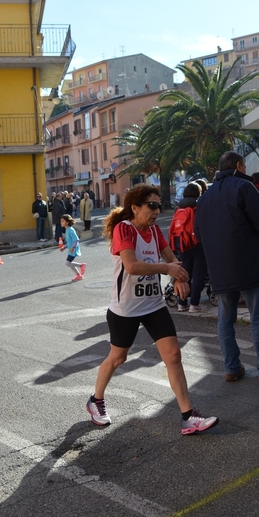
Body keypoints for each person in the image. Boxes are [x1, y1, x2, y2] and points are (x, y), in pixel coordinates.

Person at [87, 184, 218, 435]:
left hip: (153, 305)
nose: (157, 210)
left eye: (159, 205)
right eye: (152, 205)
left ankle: (188, 416)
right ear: (135, 207)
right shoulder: (123, 229)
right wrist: (168, 270)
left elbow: (172, 260)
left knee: (173, 356)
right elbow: (132, 266)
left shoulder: (155, 231)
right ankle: (96, 401)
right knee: (118, 358)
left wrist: (179, 277)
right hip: (125, 309)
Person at [195, 151, 259, 388]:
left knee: (225, 318)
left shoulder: (205, 197)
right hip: (246, 262)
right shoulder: (244, 187)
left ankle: (232, 368)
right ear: (238, 165)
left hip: (219, 268)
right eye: (244, 165)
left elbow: (198, 234)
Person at [172, 182, 208, 313]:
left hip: (182, 243)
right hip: (198, 244)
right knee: (198, 274)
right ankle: (194, 303)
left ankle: (181, 303)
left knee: (184, 273)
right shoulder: (199, 206)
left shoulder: (178, 208)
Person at [58, 214, 86, 281]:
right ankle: (79, 275)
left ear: (67, 222)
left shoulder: (70, 230)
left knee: (67, 263)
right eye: (61, 221)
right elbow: (70, 242)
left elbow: (76, 240)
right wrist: (64, 247)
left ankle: (81, 265)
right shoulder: (67, 230)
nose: (61, 222)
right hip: (71, 249)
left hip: (73, 250)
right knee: (69, 263)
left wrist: (73, 247)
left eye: (62, 221)